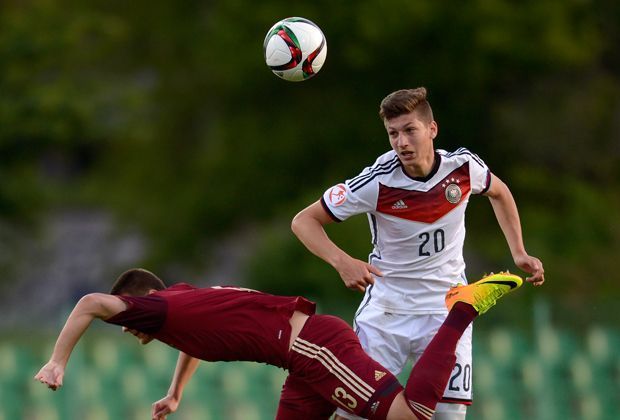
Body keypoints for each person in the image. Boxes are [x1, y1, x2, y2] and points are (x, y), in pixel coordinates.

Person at [291, 87, 545, 420]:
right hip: (386, 315)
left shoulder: (463, 168)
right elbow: (303, 221)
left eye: (410, 130)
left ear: (432, 129)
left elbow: (499, 191)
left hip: (448, 312)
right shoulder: (376, 182)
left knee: (447, 415)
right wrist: (343, 262)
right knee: (355, 415)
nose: (401, 142)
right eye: (393, 134)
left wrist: (519, 251)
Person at [34, 268, 523, 420]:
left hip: (312, 347)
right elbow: (198, 340)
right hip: (299, 360)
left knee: (410, 414)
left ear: (137, 303)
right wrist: (176, 392)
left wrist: (58, 362)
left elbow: (90, 303)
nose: (126, 329)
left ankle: (462, 306)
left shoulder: (158, 310)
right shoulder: (179, 305)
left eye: (127, 318)